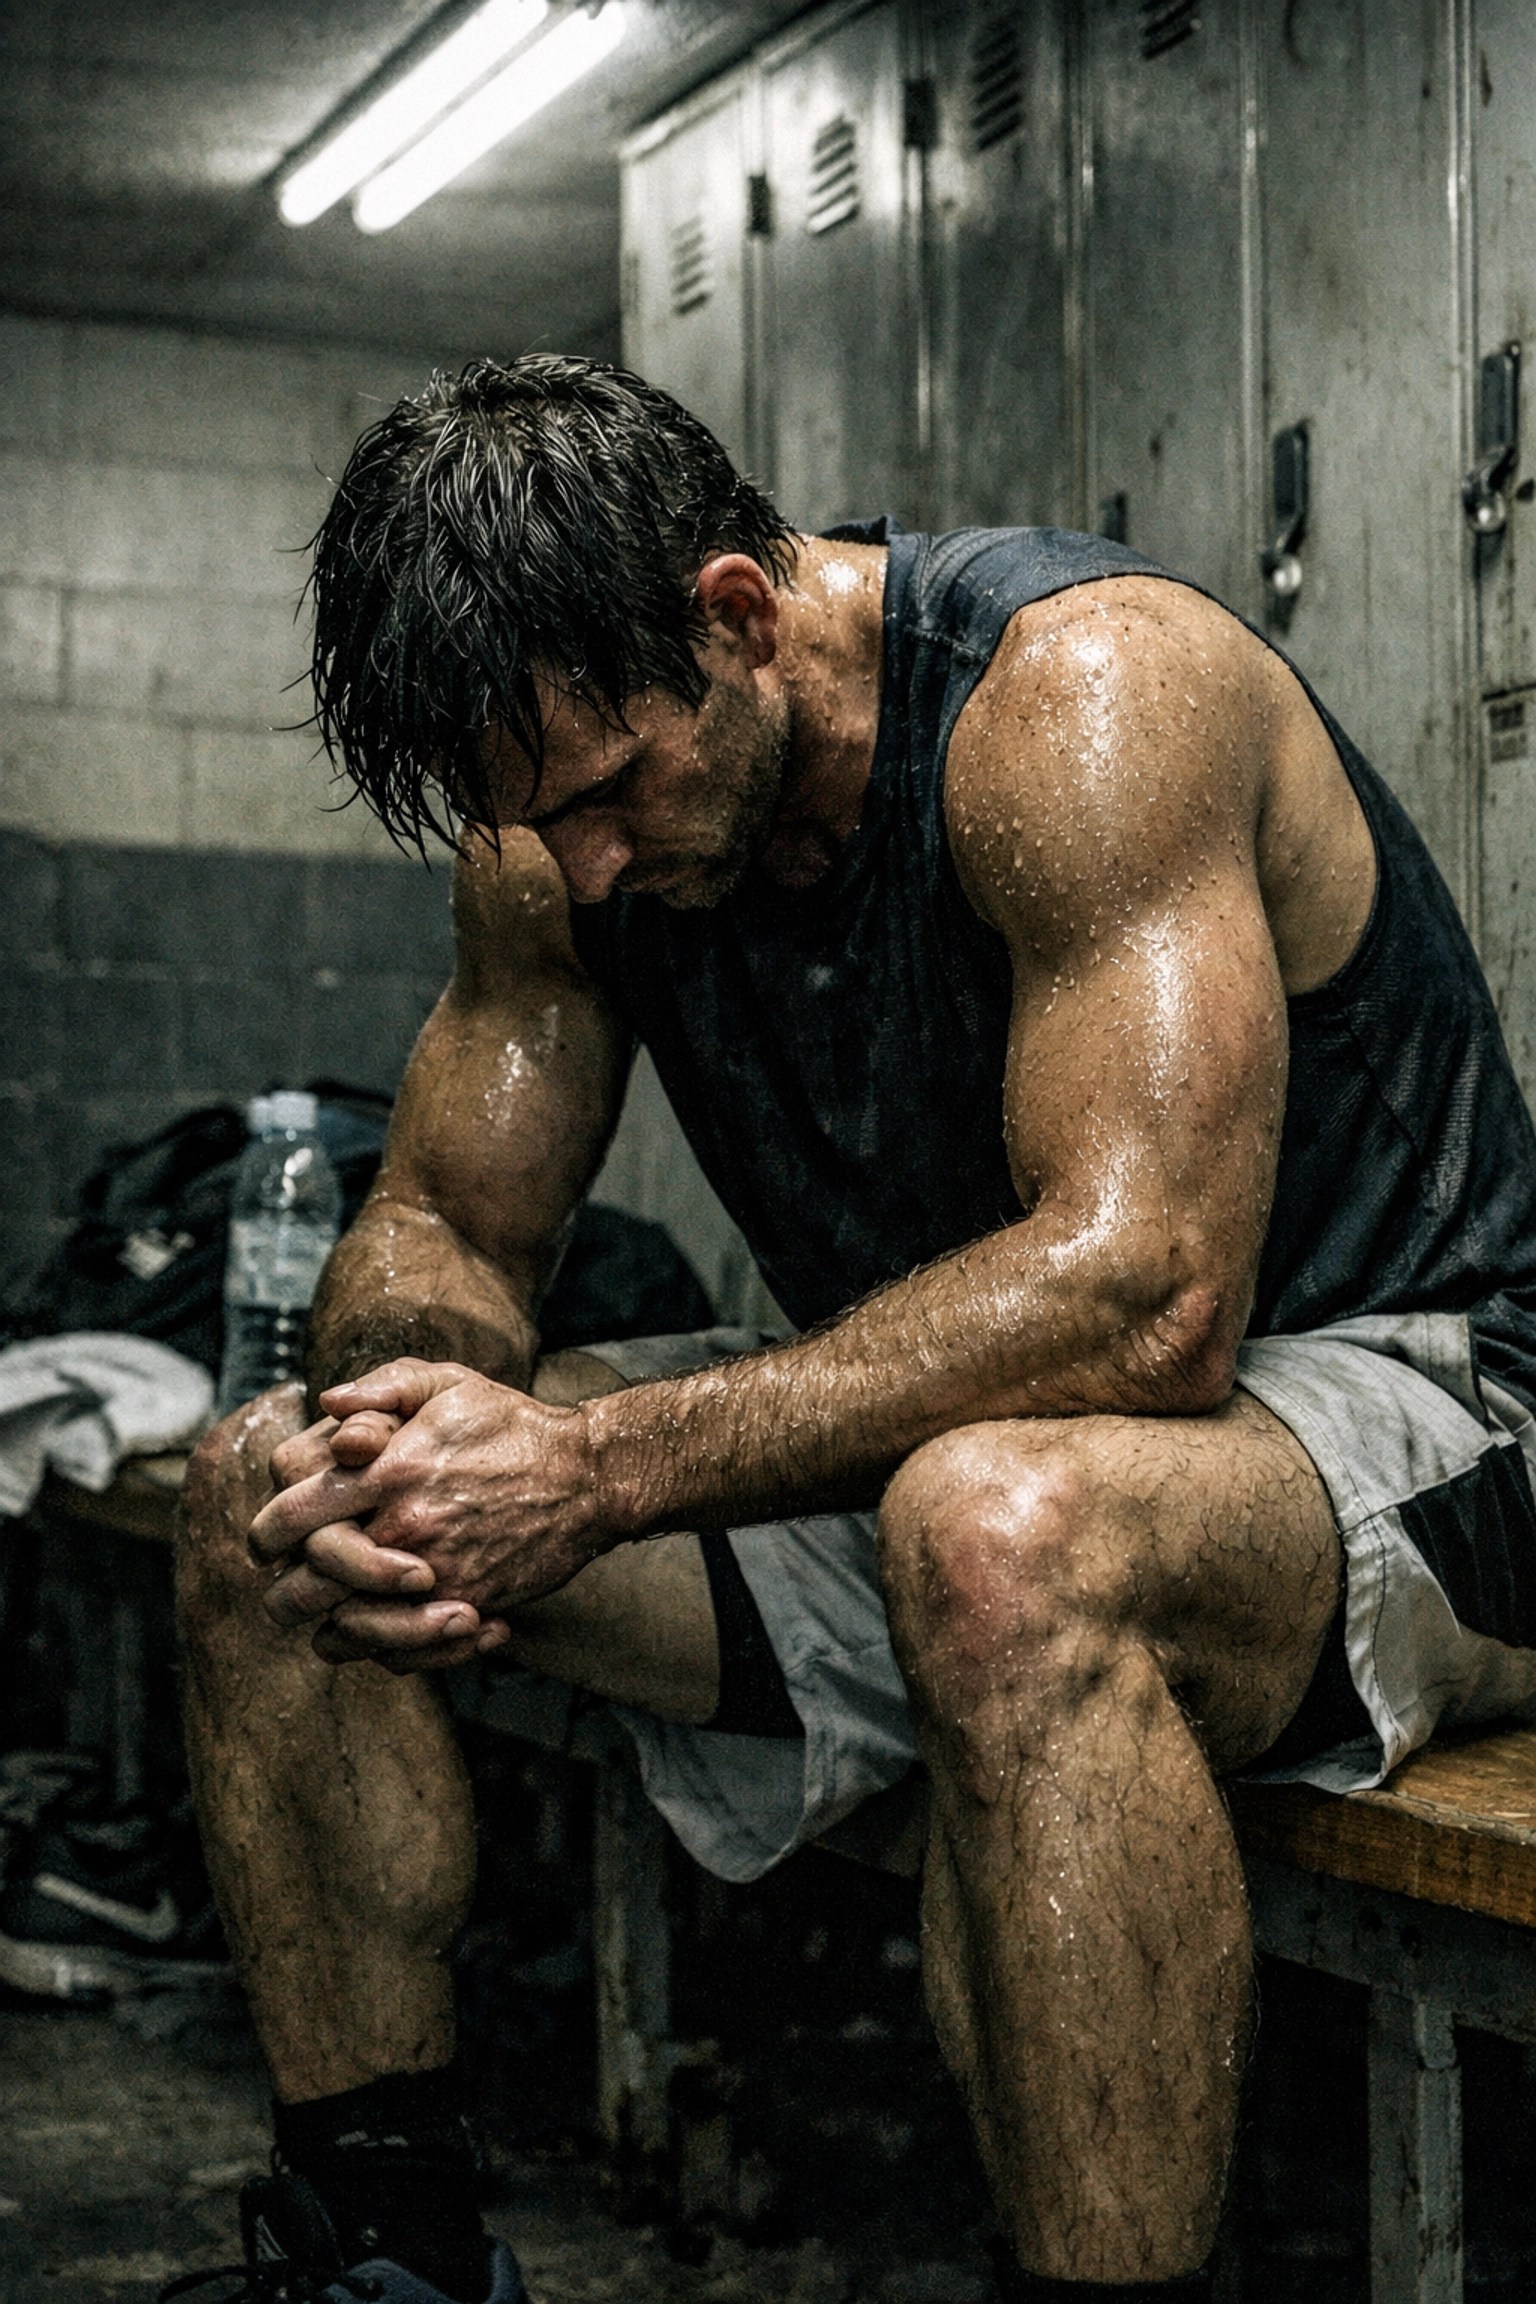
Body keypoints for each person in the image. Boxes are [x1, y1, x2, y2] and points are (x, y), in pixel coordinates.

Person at [175, 355, 1536, 2304]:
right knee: (271, 1499)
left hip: (1429, 1409)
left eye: (606, 792)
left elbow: (1149, 1298)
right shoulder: (561, 838)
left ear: (740, 615)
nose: (583, 870)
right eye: (533, 825)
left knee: (998, 1536)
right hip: (963, 1449)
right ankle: (381, 2255)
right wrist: (412, 1415)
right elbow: (452, 1228)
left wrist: (588, 1463)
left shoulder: (1078, 698)